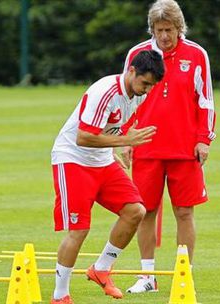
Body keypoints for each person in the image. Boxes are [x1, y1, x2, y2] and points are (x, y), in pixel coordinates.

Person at [49, 50, 165, 304]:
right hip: (73, 160)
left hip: (101, 160)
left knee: (136, 211)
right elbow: (84, 136)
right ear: (131, 71)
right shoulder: (105, 92)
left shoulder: (138, 96)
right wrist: (125, 140)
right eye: (145, 83)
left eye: (151, 86)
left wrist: (120, 147)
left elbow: (118, 126)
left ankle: (101, 269)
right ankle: (60, 295)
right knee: (79, 230)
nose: (146, 91)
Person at [122, 0, 216, 294]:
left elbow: (206, 101)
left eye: (170, 30)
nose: (164, 36)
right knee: (145, 210)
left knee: (184, 212)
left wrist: (204, 139)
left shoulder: (196, 54)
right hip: (146, 146)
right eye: (159, 30)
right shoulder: (137, 54)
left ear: (179, 28)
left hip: (184, 148)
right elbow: (125, 97)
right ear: (152, 29)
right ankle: (147, 276)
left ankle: (183, 274)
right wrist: (125, 136)